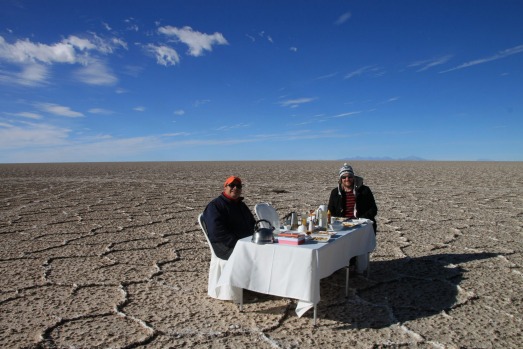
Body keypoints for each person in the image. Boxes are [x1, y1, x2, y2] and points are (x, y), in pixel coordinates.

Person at [202, 176, 256, 260]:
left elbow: (252, 223)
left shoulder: (240, 205)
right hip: (225, 246)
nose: (235, 188)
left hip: (244, 242)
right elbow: (216, 232)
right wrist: (239, 243)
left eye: (239, 186)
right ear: (225, 187)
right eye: (232, 185)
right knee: (255, 256)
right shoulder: (215, 206)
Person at [328, 163, 378, 233]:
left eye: (350, 176)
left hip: (362, 226)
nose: (347, 179)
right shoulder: (335, 192)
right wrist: (339, 221)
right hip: (341, 226)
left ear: (353, 177)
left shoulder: (364, 190)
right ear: (340, 179)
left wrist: (359, 220)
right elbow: (330, 210)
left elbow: (373, 209)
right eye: (344, 177)